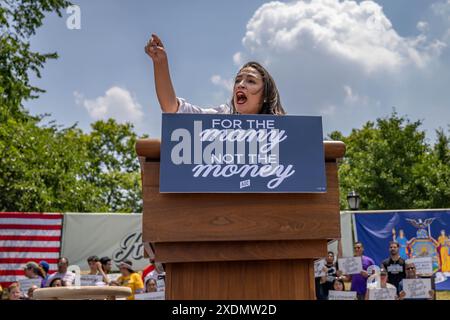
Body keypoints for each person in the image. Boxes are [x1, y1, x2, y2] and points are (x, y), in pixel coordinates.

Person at [145, 34, 286, 115]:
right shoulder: (221, 117)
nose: (240, 85)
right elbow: (171, 109)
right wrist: (160, 62)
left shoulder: (284, 132)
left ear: (266, 96)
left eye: (251, 81)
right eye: (238, 80)